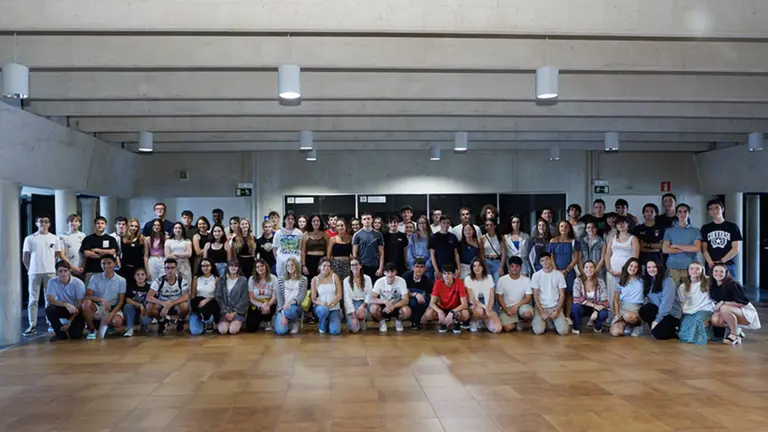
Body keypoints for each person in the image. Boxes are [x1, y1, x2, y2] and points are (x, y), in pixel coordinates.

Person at [22, 214, 66, 336]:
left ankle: (50, 323)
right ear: (36, 223)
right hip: (34, 272)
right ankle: (32, 325)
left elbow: (57, 253)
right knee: (33, 299)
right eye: (41, 221)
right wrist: (30, 269)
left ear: (49, 224)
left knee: (50, 299)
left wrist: (52, 265)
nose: (44, 224)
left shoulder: (54, 238)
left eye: (46, 221)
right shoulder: (30, 238)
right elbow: (25, 256)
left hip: (50, 271)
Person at [709, 263, 760, 345]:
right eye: (716, 271)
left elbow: (742, 303)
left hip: (745, 311)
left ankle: (734, 334)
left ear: (726, 273)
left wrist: (723, 303)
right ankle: (737, 330)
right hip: (730, 310)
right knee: (715, 320)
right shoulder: (713, 286)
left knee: (724, 308)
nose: (718, 273)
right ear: (712, 272)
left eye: (721, 271)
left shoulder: (733, 284)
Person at [82, 255, 126, 340]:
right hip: (98, 306)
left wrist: (111, 314)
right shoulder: (95, 277)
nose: (106, 266)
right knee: (86, 304)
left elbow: (121, 302)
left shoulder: (121, 280)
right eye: (103, 263)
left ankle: (109, 325)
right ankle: (91, 328)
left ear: (114, 264)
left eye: (109, 263)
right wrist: (100, 299)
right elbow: (87, 296)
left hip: (112, 307)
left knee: (117, 322)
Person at [546, 220, 581, 324]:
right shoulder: (553, 241)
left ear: (569, 228)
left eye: (566, 227)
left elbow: (576, 258)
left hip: (569, 272)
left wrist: (567, 270)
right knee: (557, 293)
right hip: (555, 271)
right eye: (561, 226)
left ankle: (568, 316)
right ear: (558, 228)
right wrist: (557, 270)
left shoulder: (574, 242)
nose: (563, 229)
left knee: (569, 293)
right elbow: (550, 256)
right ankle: (557, 315)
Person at [638, 260, 681, 340]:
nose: (651, 269)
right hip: (660, 312)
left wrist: (657, 320)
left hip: (671, 314)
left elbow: (666, 303)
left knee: (659, 334)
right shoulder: (649, 281)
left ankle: (675, 330)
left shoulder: (668, 281)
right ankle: (657, 328)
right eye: (649, 267)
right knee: (644, 310)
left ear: (659, 267)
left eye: (654, 267)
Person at [701, 198, 743, 279]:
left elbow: (736, 248)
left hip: (728, 264)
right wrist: (710, 262)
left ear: (722, 209)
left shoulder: (732, 227)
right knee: (711, 289)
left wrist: (722, 261)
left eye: (717, 207)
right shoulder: (705, 228)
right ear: (709, 212)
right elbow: (704, 249)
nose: (714, 211)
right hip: (710, 264)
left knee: (729, 288)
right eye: (711, 209)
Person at [44, 261, 86, 342]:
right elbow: (51, 300)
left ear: (69, 271)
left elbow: (79, 305)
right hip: (62, 307)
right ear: (56, 272)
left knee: (75, 335)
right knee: (49, 309)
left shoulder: (78, 283)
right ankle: (60, 334)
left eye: (65, 271)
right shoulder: (52, 282)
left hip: (76, 310)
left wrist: (70, 322)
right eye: (60, 271)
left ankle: (75, 327)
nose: (63, 274)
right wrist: (65, 304)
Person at [146, 258, 190, 334]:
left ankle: (180, 320)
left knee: (185, 306)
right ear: (164, 269)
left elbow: (186, 296)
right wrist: (163, 303)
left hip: (176, 304)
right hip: (162, 304)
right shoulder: (159, 281)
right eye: (167, 268)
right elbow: (148, 297)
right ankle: (162, 321)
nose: (170, 270)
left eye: (172, 268)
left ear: (176, 268)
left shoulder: (181, 280)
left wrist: (170, 304)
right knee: (149, 307)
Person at [423, 264, 470, 333]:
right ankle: (443, 322)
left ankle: (455, 322)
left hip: (455, 309)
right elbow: (431, 303)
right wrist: (439, 311)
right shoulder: (438, 283)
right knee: (428, 314)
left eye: (449, 273)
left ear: (454, 275)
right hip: (442, 307)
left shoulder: (459, 283)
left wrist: (452, 312)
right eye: (444, 273)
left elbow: (464, 304)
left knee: (465, 314)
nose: (446, 276)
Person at [662, 203, 702, 286]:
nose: (682, 214)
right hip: (673, 267)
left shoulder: (696, 231)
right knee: (673, 294)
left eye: (685, 211)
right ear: (676, 214)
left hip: (690, 267)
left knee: (689, 293)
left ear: (688, 213)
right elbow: (665, 249)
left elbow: (696, 248)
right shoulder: (669, 231)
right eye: (680, 212)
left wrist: (676, 246)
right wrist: (687, 249)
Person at [605, 215, 640, 306]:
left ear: (628, 224)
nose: (620, 225)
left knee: (624, 292)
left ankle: (624, 315)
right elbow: (607, 254)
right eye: (618, 223)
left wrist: (624, 271)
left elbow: (635, 258)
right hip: (612, 270)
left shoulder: (633, 239)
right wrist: (609, 269)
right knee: (611, 291)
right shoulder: (612, 238)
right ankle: (612, 315)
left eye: (622, 223)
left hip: (628, 271)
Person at [531, 253, 569, 336]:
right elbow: (536, 296)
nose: (545, 262)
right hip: (542, 307)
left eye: (547, 259)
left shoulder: (559, 275)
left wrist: (558, 310)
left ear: (551, 260)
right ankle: (546, 321)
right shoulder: (536, 275)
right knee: (538, 331)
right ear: (540, 263)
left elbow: (562, 295)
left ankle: (552, 321)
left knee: (563, 331)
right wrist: (541, 311)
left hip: (555, 307)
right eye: (542, 260)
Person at [677, 262, 714, 345]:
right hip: (689, 312)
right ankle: (704, 332)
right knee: (684, 329)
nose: (694, 271)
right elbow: (682, 302)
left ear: (702, 271)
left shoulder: (708, 282)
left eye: (697, 269)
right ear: (688, 271)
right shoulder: (683, 286)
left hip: (705, 310)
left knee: (697, 320)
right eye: (692, 268)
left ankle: (703, 335)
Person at [369, 262, 411, 333]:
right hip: (384, 306)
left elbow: (406, 300)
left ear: (396, 272)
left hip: (397, 305)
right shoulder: (379, 282)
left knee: (407, 311)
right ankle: (382, 321)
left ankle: (398, 321)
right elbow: (371, 299)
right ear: (384, 272)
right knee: (373, 309)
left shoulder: (401, 281)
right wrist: (385, 302)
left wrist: (393, 306)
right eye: (388, 272)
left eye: (392, 271)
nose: (390, 274)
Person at [496, 257, 534, 332]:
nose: (514, 268)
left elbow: (528, 297)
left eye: (517, 266)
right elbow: (499, 297)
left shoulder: (526, 280)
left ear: (521, 267)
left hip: (521, 306)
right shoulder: (502, 280)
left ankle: (521, 320)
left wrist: (516, 306)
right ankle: (516, 322)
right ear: (509, 267)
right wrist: (506, 310)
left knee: (527, 314)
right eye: (512, 266)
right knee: (509, 328)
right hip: (507, 307)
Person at [570, 260, 609, 334]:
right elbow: (577, 298)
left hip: (596, 307)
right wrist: (594, 305)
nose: (589, 269)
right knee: (575, 307)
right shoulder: (578, 281)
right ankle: (576, 327)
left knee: (604, 314)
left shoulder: (600, 282)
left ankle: (597, 326)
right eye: (586, 267)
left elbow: (604, 300)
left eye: (591, 267)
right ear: (583, 269)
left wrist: (596, 311)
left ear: (594, 269)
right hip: (583, 307)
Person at [464, 257, 501, 333]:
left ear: (483, 267)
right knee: (480, 311)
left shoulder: (489, 278)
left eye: (479, 266)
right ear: (472, 268)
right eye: (474, 266)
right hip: (475, 304)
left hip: (488, 303)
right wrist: (485, 307)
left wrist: (489, 307)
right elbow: (472, 299)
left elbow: (491, 296)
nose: (477, 268)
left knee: (497, 329)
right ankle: (474, 321)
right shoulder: (468, 279)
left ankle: (484, 320)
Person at [610, 258, 645, 337]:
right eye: (631, 266)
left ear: (638, 269)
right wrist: (616, 314)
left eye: (635, 267)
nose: (633, 268)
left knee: (628, 316)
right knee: (615, 332)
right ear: (627, 266)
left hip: (636, 309)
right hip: (623, 309)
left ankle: (638, 326)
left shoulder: (642, 280)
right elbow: (615, 299)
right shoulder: (621, 280)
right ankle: (627, 326)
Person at [80, 216, 119, 284]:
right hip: (91, 270)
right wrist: (105, 255)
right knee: (89, 292)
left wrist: (96, 250)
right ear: (95, 225)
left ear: (105, 225)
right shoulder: (88, 239)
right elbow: (87, 253)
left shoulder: (111, 239)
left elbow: (112, 252)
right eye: (98, 223)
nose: (100, 225)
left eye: (102, 223)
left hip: (107, 270)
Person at [274, 257, 308, 335]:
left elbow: (301, 297)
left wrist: (289, 303)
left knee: (291, 311)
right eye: (288, 266)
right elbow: (279, 301)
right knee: (281, 331)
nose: (290, 267)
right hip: (282, 309)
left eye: (292, 265)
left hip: (295, 308)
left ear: (296, 266)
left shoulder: (303, 279)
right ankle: (287, 320)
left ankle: (295, 322)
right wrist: (283, 315)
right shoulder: (280, 280)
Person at [215, 260, 249, 335]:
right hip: (224, 312)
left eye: (236, 266)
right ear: (228, 267)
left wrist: (234, 313)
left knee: (232, 331)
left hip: (237, 312)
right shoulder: (222, 279)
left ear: (238, 268)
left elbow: (244, 299)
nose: (233, 268)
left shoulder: (243, 280)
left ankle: (240, 322)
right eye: (231, 266)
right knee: (223, 331)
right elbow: (218, 297)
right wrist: (226, 312)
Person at [311, 259, 343, 335]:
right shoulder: (315, 279)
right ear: (319, 267)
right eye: (324, 266)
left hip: (333, 307)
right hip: (321, 308)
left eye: (328, 266)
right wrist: (321, 303)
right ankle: (322, 323)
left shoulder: (335, 277)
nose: (326, 268)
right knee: (323, 310)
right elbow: (313, 299)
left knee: (335, 331)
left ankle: (329, 321)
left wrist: (332, 304)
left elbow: (339, 295)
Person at [189, 258, 220, 335]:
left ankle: (209, 322)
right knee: (196, 332)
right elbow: (193, 295)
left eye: (207, 265)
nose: (205, 268)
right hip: (198, 304)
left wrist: (207, 300)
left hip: (211, 302)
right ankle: (199, 320)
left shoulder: (216, 279)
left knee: (208, 317)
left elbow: (218, 295)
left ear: (211, 266)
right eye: (203, 266)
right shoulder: (196, 278)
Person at [245, 259, 277, 333]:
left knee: (269, 308)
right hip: (256, 304)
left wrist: (267, 305)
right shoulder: (251, 279)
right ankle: (260, 321)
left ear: (266, 266)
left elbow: (274, 297)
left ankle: (268, 320)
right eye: (257, 267)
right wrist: (261, 305)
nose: (260, 268)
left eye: (262, 266)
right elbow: (251, 298)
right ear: (255, 269)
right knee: (251, 328)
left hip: (269, 304)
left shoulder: (273, 278)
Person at [402, 257, 433, 330]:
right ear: (413, 268)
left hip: (422, 301)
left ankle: (421, 319)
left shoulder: (428, 280)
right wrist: (415, 294)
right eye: (417, 266)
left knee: (426, 301)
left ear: (425, 268)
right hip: (408, 299)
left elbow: (432, 297)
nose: (419, 269)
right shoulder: (406, 276)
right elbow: (402, 291)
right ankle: (414, 321)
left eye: (421, 267)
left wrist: (427, 312)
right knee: (413, 302)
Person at [352, 212, 385, 281]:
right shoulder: (357, 235)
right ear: (361, 221)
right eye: (364, 219)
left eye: (368, 218)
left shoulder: (378, 234)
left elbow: (381, 253)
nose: (366, 220)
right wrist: (357, 267)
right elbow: (355, 253)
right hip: (362, 266)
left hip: (375, 265)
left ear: (371, 220)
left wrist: (380, 268)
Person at [343, 258, 373, 333]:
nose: (354, 267)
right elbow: (347, 299)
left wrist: (363, 306)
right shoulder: (346, 280)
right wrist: (353, 316)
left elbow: (369, 295)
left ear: (360, 266)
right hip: (352, 304)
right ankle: (357, 322)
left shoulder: (367, 278)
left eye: (356, 264)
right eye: (352, 265)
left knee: (361, 314)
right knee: (354, 330)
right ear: (350, 267)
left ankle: (361, 320)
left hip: (364, 303)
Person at [123, 267, 153, 337]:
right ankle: (129, 329)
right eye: (138, 275)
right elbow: (127, 300)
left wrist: (144, 308)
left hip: (145, 312)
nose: (140, 277)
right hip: (133, 311)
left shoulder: (150, 288)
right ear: (134, 276)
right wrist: (139, 305)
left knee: (145, 320)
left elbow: (151, 301)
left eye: (142, 274)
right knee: (127, 306)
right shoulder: (131, 286)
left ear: (146, 276)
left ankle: (144, 325)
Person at [633, 204, 665, 269]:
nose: (649, 213)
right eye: (647, 211)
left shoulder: (661, 229)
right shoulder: (637, 229)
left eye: (652, 211)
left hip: (657, 261)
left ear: (656, 213)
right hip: (642, 261)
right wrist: (655, 248)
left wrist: (646, 244)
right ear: (643, 213)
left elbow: (662, 245)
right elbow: (638, 247)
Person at [429, 216, 461, 280]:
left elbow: (456, 254)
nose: (446, 225)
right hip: (439, 269)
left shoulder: (453, 237)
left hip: (452, 269)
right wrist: (437, 271)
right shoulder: (434, 237)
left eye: (448, 223)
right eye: (444, 223)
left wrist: (459, 269)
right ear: (440, 223)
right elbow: (432, 255)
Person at [273, 212, 303, 278]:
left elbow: (300, 248)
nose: (290, 221)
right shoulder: (278, 233)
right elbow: (275, 248)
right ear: (284, 220)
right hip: (282, 263)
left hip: (296, 262)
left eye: (292, 219)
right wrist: (278, 259)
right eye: (288, 219)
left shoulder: (299, 233)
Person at [301, 215, 329, 286]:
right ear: (310, 222)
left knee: (322, 282)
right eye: (314, 221)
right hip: (309, 261)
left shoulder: (325, 234)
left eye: (317, 221)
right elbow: (303, 251)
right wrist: (304, 265)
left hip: (322, 261)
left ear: (320, 222)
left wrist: (328, 262)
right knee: (310, 283)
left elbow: (328, 250)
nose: (316, 223)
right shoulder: (306, 235)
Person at [118, 218, 145, 289]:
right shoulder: (122, 238)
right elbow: (118, 254)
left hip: (138, 268)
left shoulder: (141, 239)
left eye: (136, 226)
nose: (134, 228)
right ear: (128, 226)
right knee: (125, 288)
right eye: (132, 226)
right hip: (125, 267)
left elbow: (144, 254)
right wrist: (119, 265)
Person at [59, 213, 86, 280]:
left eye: (76, 221)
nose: (73, 223)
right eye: (71, 221)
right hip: (67, 268)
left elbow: (85, 253)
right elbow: (61, 255)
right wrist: (72, 267)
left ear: (79, 223)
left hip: (81, 269)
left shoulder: (83, 236)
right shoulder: (62, 236)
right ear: (68, 223)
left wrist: (83, 266)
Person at [479, 218, 505, 285]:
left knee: (498, 284)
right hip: (487, 262)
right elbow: (481, 253)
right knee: (488, 284)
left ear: (495, 226)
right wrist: (484, 264)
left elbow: (504, 252)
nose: (489, 227)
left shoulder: (500, 237)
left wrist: (501, 266)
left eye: (491, 225)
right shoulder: (483, 238)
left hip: (497, 262)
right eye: (487, 225)